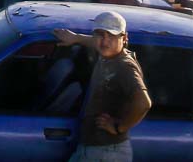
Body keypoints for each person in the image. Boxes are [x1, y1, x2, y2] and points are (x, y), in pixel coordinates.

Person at [54, 11, 152, 161]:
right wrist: (76, 38)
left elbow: (144, 103)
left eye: (111, 35)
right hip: (94, 150)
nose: (104, 41)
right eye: (100, 34)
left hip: (106, 153)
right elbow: (97, 42)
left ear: (124, 38)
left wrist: (119, 127)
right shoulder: (109, 53)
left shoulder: (124, 67)